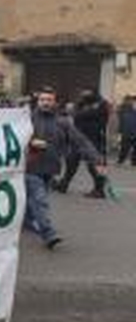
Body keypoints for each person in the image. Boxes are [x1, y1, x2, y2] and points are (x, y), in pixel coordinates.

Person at [25, 86, 105, 250]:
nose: (45, 103)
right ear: (37, 101)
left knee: (35, 200)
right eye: (42, 100)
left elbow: (79, 140)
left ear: (55, 102)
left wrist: (96, 159)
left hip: (51, 167)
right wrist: (30, 142)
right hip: (30, 167)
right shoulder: (27, 119)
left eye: (49, 100)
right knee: (39, 199)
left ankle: (28, 221)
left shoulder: (62, 121)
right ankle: (48, 234)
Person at [54, 89, 109, 198]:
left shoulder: (101, 105)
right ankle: (64, 184)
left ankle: (99, 189)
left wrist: (76, 111)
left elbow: (81, 115)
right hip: (78, 138)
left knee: (95, 165)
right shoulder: (83, 104)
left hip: (94, 139)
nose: (83, 95)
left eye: (87, 94)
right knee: (71, 162)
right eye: (83, 94)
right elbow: (74, 113)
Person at [117, 95, 136, 166]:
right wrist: (120, 130)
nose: (132, 102)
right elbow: (121, 120)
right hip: (127, 131)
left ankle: (134, 161)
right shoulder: (123, 109)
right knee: (124, 147)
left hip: (133, 130)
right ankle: (121, 160)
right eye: (130, 100)